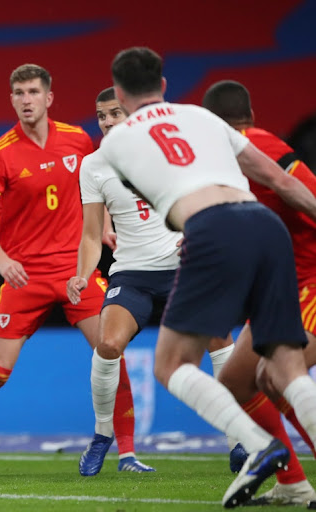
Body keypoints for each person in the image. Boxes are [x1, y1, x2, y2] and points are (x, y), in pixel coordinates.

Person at [99, 46, 316, 508]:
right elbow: (282, 183)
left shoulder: (113, 144)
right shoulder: (204, 117)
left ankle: (261, 447)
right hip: (268, 228)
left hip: (213, 231)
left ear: (118, 92)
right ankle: (296, 485)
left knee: (171, 364)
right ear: (164, 85)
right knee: (286, 368)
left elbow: (165, 203)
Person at [0, 64, 148, 475]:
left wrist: (104, 227)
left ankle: (127, 455)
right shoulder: (0, 153)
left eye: (33, 91)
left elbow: (97, 187)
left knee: (111, 352)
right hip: (24, 276)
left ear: (49, 98)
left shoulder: (78, 140)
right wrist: (3, 261)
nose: (26, 99)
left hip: (76, 271)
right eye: (19, 92)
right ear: (12, 99)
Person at [68, 86, 235, 476]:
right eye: (101, 115)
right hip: (133, 272)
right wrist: (82, 272)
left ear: (130, 113)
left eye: (114, 113)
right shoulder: (92, 165)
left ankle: (238, 439)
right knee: (108, 344)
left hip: (183, 267)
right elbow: (92, 234)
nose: (108, 121)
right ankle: (102, 434)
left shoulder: (165, 150)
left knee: (220, 339)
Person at [203, 79, 316, 505]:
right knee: (236, 379)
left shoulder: (254, 144)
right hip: (282, 286)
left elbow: (294, 186)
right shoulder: (230, 159)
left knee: (275, 377)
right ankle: (293, 483)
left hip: (312, 282)